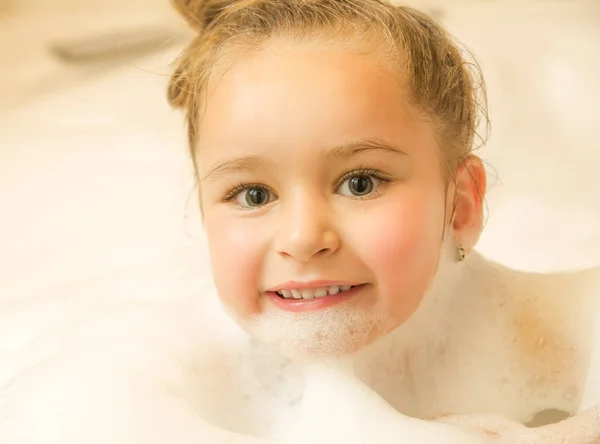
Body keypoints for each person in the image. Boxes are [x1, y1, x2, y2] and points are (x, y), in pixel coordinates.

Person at [0, 1, 597, 443]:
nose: (304, 237)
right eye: (253, 193)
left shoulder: (554, 327)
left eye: (360, 182)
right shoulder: (135, 389)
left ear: (460, 206)